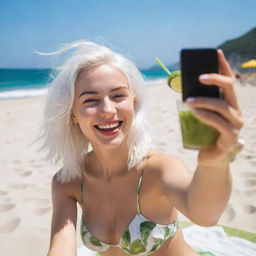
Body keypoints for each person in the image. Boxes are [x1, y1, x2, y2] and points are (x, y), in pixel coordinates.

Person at [42, 41, 244, 256]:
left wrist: (214, 162)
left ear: (133, 102)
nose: (108, 110)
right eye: (91, 100)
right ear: (72, 113)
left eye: (118, 95)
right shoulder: (67, 182)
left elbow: (205, 214)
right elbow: (60, 247)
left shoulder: (159, 169)